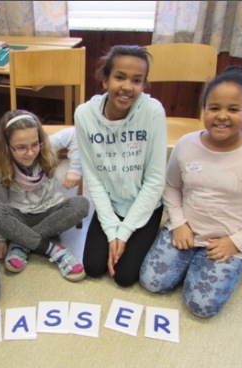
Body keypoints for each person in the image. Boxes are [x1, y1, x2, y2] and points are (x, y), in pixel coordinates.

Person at [139, 66, 242, 318]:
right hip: (186, 230)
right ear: (204, 110)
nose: (222, 116)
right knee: (152, 283)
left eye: (233, 109)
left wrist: (237, 242)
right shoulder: (186, 144)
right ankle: (191, 262)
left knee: (201, 307)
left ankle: (207, 264)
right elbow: (171, 185)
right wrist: (178, 223)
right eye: (214, 108)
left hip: (227, 239)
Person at [74, 45, 168, 287]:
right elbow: (93, 178)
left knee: (125, 277)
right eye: (120, 77)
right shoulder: (84, 115)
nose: (127, 86)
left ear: (144, 85)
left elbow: (155, 180)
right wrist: (111, 229)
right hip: (111, 203)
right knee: (93, 267)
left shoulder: (153, 111)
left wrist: (123, 233)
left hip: (145, 205)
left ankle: (147, 234)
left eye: (137, 80)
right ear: (105, 80)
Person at [0, 110, 90, 282]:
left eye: (35, 144)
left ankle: (21, 243)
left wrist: (75, 169)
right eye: (21, 147)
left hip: (49, 214)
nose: (30, 153)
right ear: (7, 146)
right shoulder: (1, 169)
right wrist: (0, 239)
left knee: (82, 204)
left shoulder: (46, 148)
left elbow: (76, 134)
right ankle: (53, 250)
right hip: (19, 218)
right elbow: (0, 202)